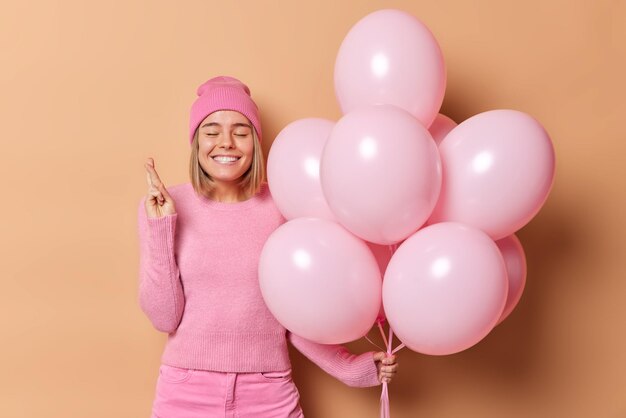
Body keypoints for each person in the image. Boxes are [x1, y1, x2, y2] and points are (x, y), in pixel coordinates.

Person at [137, 75, 398, 418]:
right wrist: (161, 228)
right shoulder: (165, 205)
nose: (226, 143)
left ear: (256, 142)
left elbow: (293, 315)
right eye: (212, 131)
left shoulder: (284, 206)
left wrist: (349, 368)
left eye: (241, 132)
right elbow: (163, 317)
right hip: (185, 393)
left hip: (267, 393)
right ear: (196, 142)